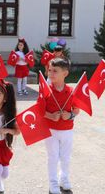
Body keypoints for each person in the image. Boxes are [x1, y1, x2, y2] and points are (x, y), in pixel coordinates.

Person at [43, 57, 80, 194]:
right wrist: (51, 116)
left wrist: (69, 115)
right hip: (50, 130)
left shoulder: (71, 91)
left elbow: (77, 110)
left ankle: (63, 178)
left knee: (66, 156)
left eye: (55, 71)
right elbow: (40, 110)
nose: (51, 74)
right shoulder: (46, 90)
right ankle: (53, 182)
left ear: (65, 73)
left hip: (67, 130)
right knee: (52, 156)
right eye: (50, 70)